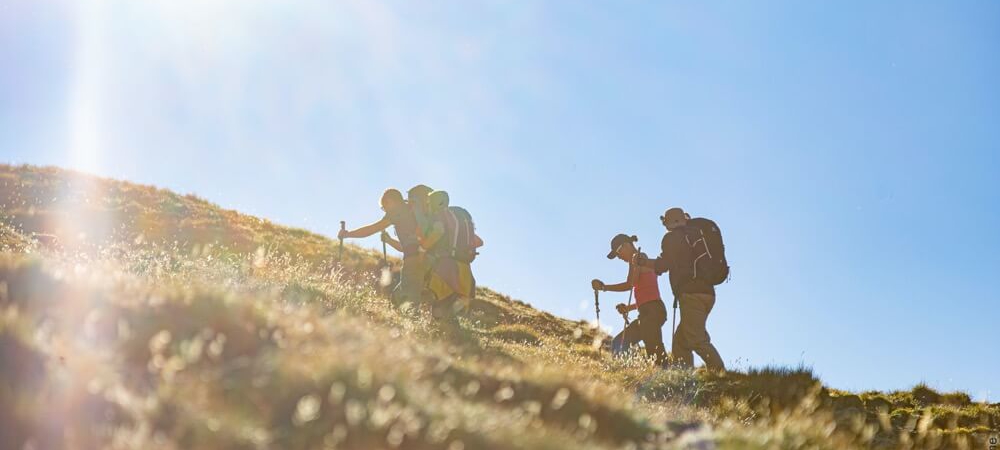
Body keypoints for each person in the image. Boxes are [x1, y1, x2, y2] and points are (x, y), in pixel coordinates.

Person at [641, 207, 725, 371]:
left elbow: (663, 265)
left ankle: (720, 374)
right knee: (681, 340)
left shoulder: (672, 238)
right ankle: (682, 375)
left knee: (696, 338)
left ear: (669, 223)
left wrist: (643, 262)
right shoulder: (694, 235)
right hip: (707, 292)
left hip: (691, 294)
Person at [339, 189, 424, 306]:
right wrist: (389, 241)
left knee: (406, 299)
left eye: (384, 207)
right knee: (407, 297)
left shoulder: (396, 211)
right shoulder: (411, 211)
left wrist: (348, 234)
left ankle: (409, 321)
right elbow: (406, 247)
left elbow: (372, 229)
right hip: (426, 258)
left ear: (390, 201)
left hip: (413, 261)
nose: (385, 211)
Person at [592, 234, 667, 366]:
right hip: (651, 310)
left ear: (626, 245)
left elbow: (630, 284)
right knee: (620, 343)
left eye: (618, 253)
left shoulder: (638, 258)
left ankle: (667, 377)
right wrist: (629, 308)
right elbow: (648, 295)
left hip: (651, 311)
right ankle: (632, 371)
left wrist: (604, 287)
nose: (619, 257)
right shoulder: (640, 259)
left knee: (651, 347)